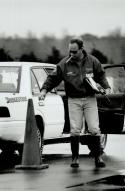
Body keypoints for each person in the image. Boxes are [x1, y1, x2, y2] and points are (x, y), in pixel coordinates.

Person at [40, 37, 111, 168]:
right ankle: (75, 159)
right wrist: (44, 90)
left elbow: (101, 75)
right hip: (73, 100)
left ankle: (98, 157)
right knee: (75, 130)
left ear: (81, 49)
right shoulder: (64, 63)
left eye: (74, 52)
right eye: (70, 51)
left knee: (94, 128)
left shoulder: (93, 61)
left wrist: (106, 87)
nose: (71, 54)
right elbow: (53, 78)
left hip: (90, 99)